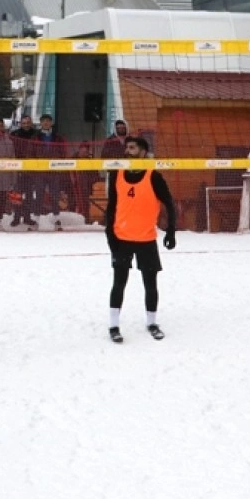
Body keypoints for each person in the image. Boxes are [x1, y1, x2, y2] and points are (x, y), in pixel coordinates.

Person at [104, 136, 177, 344]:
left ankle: (152, 323)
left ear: (144, 151)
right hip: (121, 237)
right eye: (126, 147)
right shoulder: (117, 173)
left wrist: (171, 230)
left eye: (132, 148)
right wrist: (109, 233)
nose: (127, 151)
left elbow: (169, 203)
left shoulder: (153, 176)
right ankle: (114, 325)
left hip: (146, 239)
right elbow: (111, 206)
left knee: (150, 284)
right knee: (119, 283)